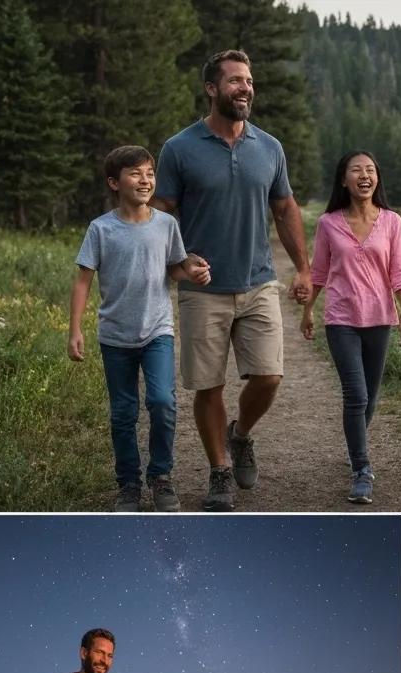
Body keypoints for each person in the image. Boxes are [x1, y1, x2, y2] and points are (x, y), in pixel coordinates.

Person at [153, 49, 311, 512]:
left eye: (249, 81)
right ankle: (219, 470)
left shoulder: (270, 147)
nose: (245, 89)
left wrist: (302, 267)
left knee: (270, 376)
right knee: (208, 387)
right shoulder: (179, 148)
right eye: (236, 81)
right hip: (203, 290)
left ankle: (239, 434)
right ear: (211, 89)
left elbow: (284, 208)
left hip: (258, 282)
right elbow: (160, 213)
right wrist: (178, 265)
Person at [69, 145, 212, 513]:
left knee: (163, 402)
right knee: (123, 412)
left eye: (149, 172)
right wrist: (75, 330)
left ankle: (161, 477)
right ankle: (128, 485)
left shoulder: (166, 224)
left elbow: (176, 268)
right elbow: (83, 280)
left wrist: (192, 272)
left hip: (157, 331)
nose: (145, 179)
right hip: (114, 335)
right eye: (135, 173)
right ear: (114, 183)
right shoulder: (101, 229)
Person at [300, 150, 401, 504]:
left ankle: (355, 445)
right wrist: (308, 311)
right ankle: (362, 469)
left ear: (377, 178)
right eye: (356, 170)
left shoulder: (392, 222)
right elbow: (318, 272)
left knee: (372, 398)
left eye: (370, 170)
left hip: (380, 317)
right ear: (343, 180)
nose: (364, 175)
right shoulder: (329, 223)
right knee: (357, 394)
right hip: (342, 319)